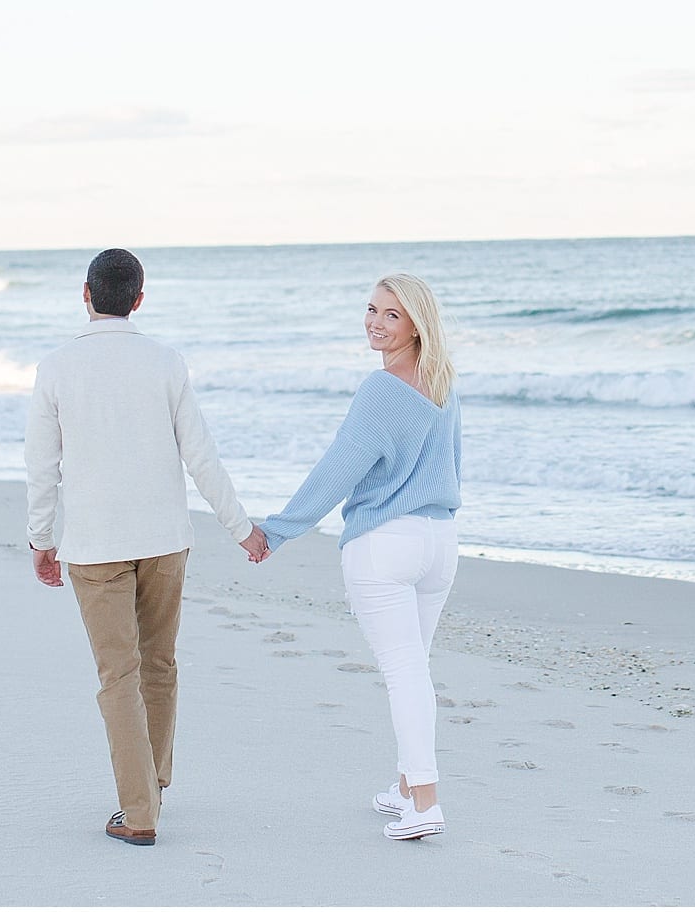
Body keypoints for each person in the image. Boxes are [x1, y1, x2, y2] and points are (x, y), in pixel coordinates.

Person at [24, 247, 269, 847]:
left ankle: (138, 812)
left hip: (95, 547)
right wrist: (241, 528)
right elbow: (201, 455)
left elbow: (41, 464)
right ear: (138, 299)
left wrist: (41, 538)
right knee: (158, 666)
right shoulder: (165, 362)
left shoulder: (56, 366)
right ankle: (152, 784)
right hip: (164, 541)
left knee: (119, 675)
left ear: (85, 295)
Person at [252, 272, 462, 841]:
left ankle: (426, 801)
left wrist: (277, 530)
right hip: (439, 543)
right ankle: (404, 788)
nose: (375, 321)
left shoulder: (382, 388)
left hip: (386, 546)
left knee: (404, 672)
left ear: (417, 323)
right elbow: (452, 469)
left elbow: (339, 470)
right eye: (371, 309)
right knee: (414, 669)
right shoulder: (444, 383)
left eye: (391, 314)